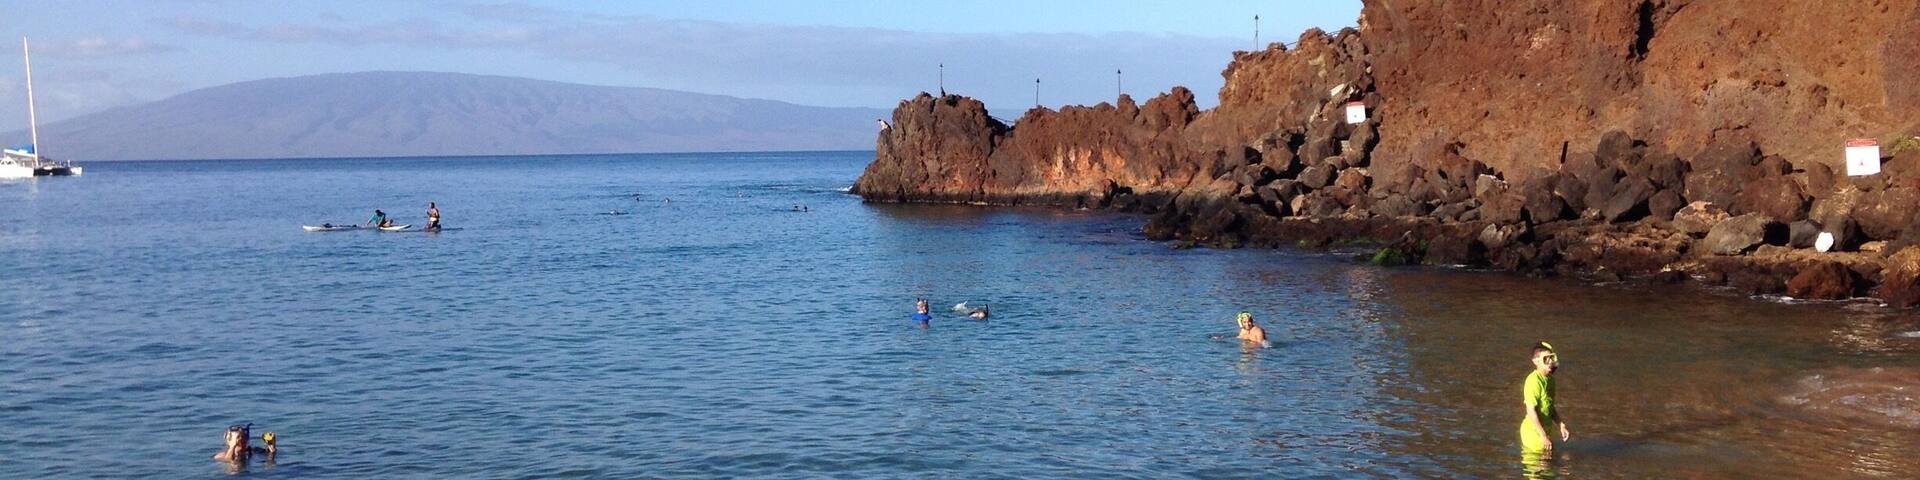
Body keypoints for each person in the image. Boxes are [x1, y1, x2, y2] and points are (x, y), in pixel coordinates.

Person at [1520, 341, 1570, 453]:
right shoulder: (1533, 381)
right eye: (1546, 359)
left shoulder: (1551, 380)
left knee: (1550, 465)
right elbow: (1530, 410)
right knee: (1541, 465)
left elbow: (1550, 406)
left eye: (1552, 358)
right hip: (1533, 434)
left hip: (1545, 431)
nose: (1550, 363)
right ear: (1536, 361)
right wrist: (1543, 436)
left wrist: (1561, 424)